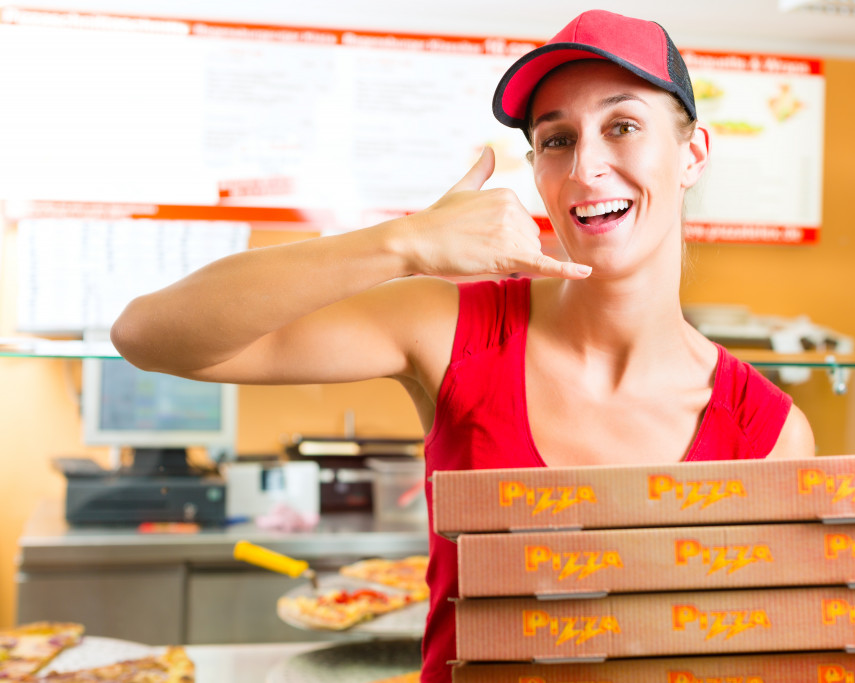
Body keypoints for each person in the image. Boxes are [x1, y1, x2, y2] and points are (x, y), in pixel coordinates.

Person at [111, 9, 815, 681]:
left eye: (623, 125)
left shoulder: (771, 432)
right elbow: (149, 333)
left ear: (693, 154)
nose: (585, 167)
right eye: (557, 139)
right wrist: (403, 242)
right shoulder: (457, 328)